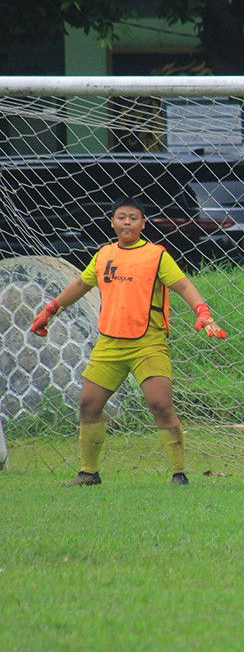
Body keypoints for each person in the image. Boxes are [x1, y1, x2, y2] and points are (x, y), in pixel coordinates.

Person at [29, 196, 226, 486]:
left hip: (148, 343)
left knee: (160, 404)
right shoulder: (103, 255)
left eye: (133, 218)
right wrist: (50, 310)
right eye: (121, 217)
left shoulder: (156, 255)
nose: (127, 223)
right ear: (112, 222)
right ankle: (88, 472)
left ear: (143, 224)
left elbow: (183, 284)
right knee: (89, 404)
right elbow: (82, 284)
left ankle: (179, 474)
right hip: (109, 343)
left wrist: (203, 313)